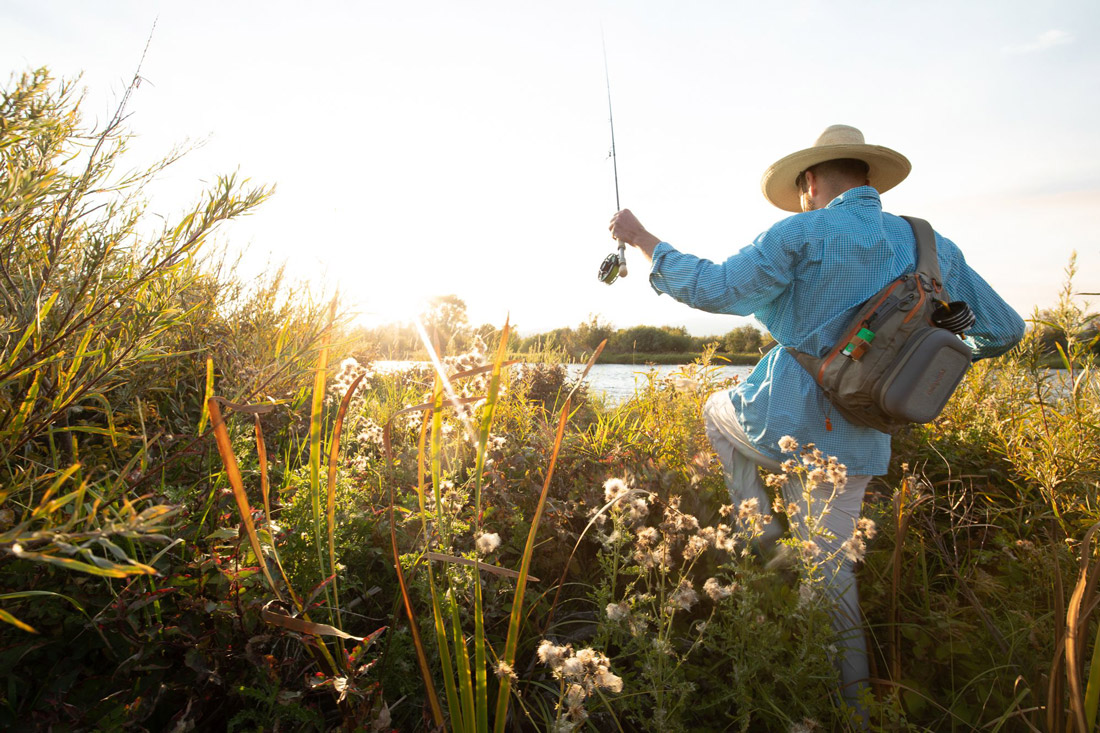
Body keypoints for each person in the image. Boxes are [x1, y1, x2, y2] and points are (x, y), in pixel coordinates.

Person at [608, 124, 1025, 722]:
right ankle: (850, 708)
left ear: (809, 182)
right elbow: (1005, 331)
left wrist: (643, 237)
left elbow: (712, 287)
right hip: (861, 435)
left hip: (785, 422)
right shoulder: (934, 247)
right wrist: (921, 356)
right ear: (866, 178)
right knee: (833, 572)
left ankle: (761, 543)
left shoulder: (801, 233)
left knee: (713, 411)